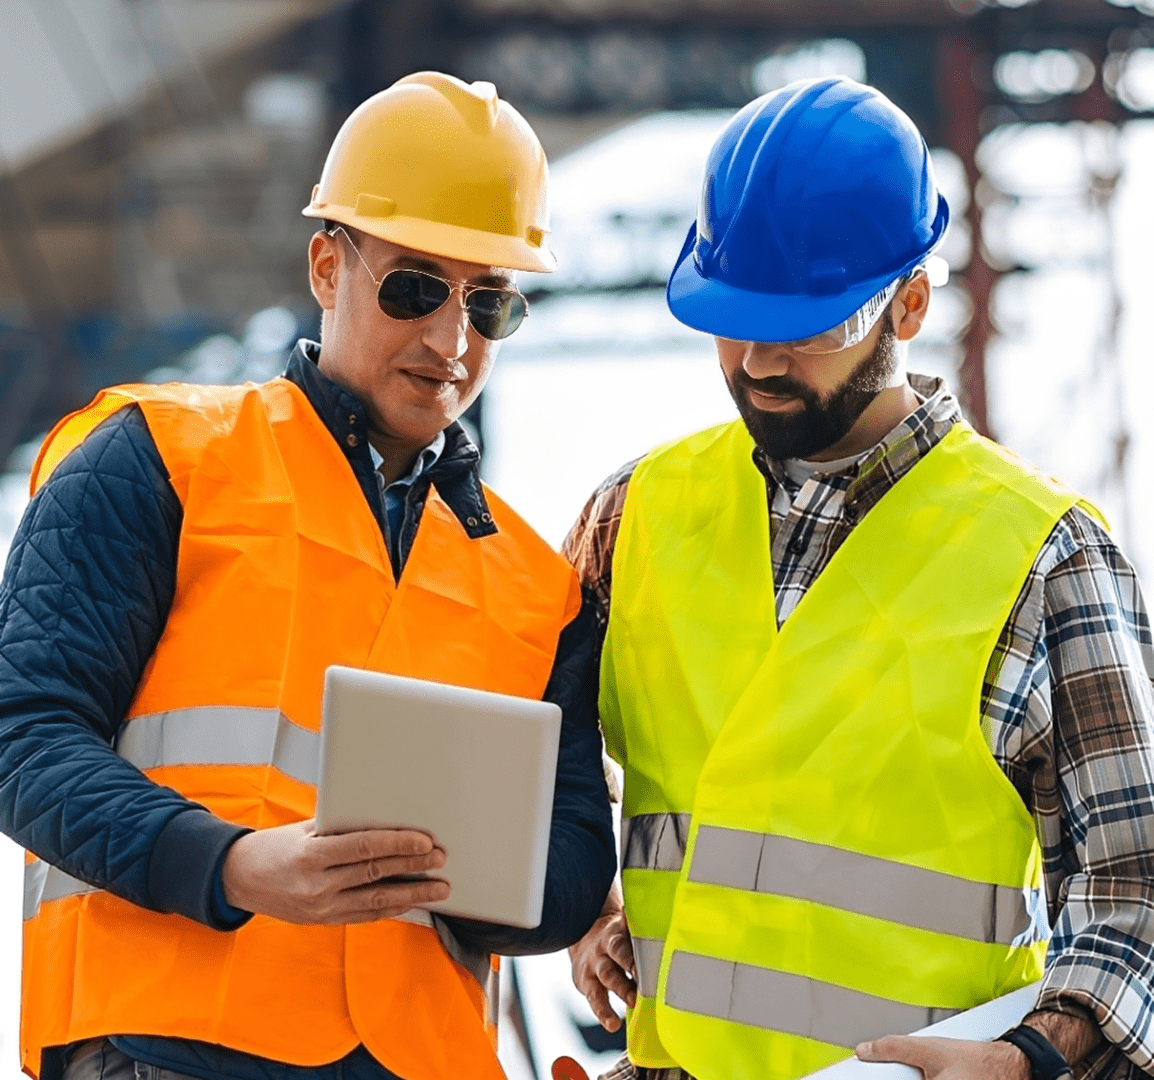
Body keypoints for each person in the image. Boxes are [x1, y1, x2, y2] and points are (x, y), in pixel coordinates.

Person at [0, 71, 615, 1080]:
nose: (450, 343)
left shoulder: (531, 581)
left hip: (418, 1059)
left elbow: (570, 866)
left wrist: (461, 868)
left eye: (490, 304)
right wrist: (229, 864)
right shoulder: (160, 458)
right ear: (328, 267)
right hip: (170, 1046)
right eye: (414, 287)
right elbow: (22, 731)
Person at [564, 77, 1154, 1080]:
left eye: (806, 327)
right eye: (732, 318)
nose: (756, 362)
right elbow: (554, 765)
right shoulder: (632, 513)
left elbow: (1134, 891)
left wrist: (1026, 1061)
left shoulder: (1041, 555)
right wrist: (585, 899)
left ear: (910, 302)